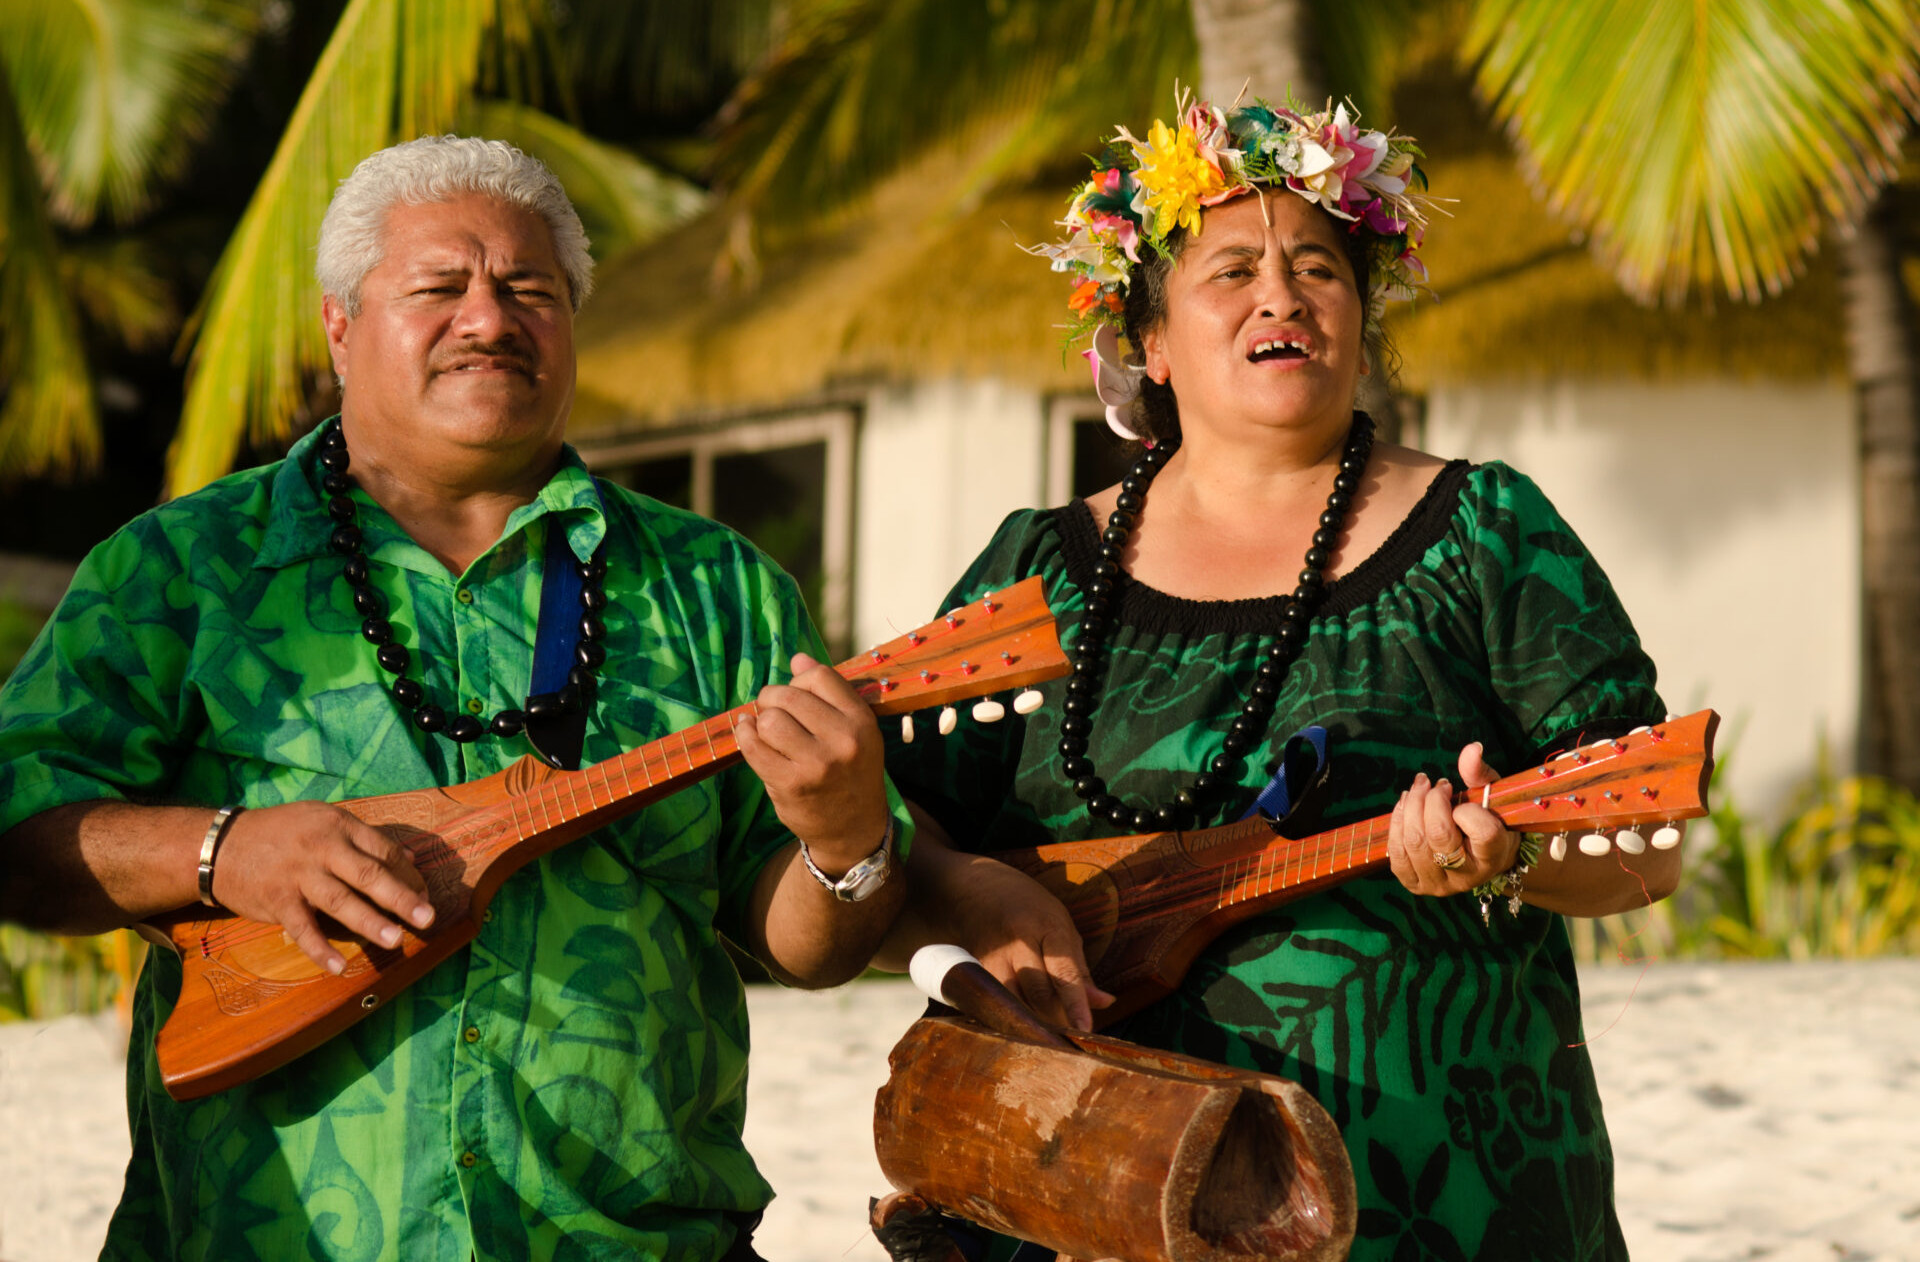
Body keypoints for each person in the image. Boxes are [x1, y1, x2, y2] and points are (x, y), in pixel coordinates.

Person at [0, 136, 910, 1261]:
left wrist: (844, 840)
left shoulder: (715, 589)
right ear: (340, 327)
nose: (489, 319)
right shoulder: (181, 573)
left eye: (530, 290)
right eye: (439, 288)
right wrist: (222, 852)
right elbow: (20, 840)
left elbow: (806, 946)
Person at [879, 91, 1681, 1261]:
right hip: (1095, 1183)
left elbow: (1645, 841)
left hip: (1441, 1191)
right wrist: (981, 899)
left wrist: (1512, 860)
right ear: (1148, 340)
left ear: (1360, 318)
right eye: (1230, 270)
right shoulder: (1037, 569)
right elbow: (894, 831)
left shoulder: (1486, 530)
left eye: (1318, 265)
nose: (1282, 292)